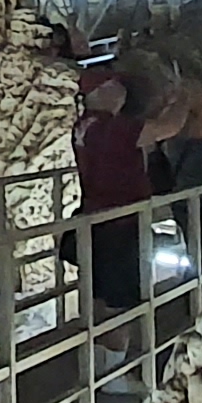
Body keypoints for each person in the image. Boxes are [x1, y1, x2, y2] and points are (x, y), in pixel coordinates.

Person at [76, 71, 150, 310]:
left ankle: (98, 347)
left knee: (99, 295)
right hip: (120, 220)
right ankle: (116, 347)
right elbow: (165, 128)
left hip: (95, 217)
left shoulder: (85, 124)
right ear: (104, 91)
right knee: (120, 303)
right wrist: (182, 100)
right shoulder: (113, 127)